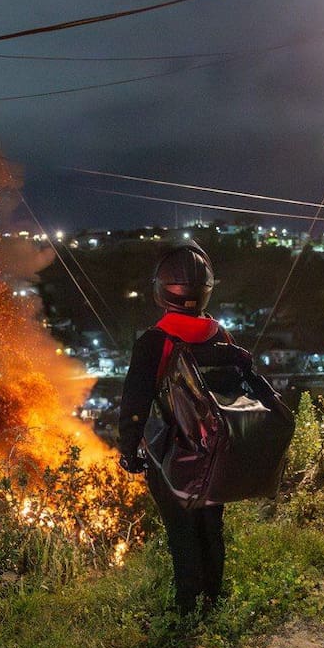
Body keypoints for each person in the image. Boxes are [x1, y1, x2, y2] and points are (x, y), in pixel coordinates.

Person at [118, 241, 230, 616]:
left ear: (162, 289)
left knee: (182, 535)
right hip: (215, 456)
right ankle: (215, 604)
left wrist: (129, 449)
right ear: (205, 290)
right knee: (211, 529)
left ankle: (186, 610)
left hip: (173, 459)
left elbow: (134, 402)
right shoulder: (221, 335)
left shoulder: (154, 341)